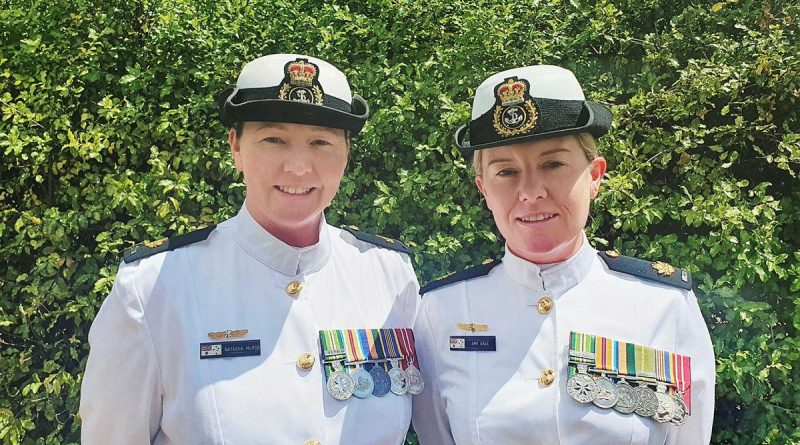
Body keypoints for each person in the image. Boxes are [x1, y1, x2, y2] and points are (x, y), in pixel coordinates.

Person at [80, 54, 421, 445]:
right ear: (236, 148)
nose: (298, 167)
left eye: (320, 142)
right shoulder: (154, 287)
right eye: (273, 139)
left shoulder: (388, 275)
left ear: (345, 156)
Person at [411, 65, 714, 444]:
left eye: (553, 164)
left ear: (594, 175)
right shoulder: (442, 312)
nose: (531, 191)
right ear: (483, 189)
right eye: (505, 172)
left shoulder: (664, 305)